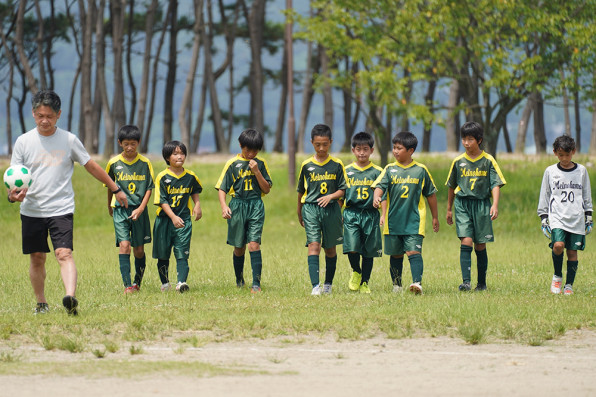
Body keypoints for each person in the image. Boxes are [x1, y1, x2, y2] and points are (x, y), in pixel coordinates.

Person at [7, 90, 128, 315]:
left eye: (49, 116)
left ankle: (70, 298)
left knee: (64, 253)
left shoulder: (69, 140)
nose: (44, 120)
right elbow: (14, 177)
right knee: (37, 258)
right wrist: (12, 195)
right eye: (40, 115)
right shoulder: (23, 141)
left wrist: (115, 188)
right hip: (32, 210)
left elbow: (91, 166)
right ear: (33, 114)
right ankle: (41, 303)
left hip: (61, 208)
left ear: (58, 115)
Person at [372, 131, 439, 294]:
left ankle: (417, 283)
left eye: (399, 148)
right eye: (394, 148)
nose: (395, 151)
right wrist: (377, 197)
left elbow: (430, 194)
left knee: (413, 251)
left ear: (411, 151)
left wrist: (435, 217)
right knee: (395, 255)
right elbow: (379, 186)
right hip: (393, 221)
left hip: (414, 221)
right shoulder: (389, 169)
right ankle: (397, 286)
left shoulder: (421, 170)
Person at [445, 121, 506, 292]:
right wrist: (449, 209)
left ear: (479, 140)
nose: (466, 143)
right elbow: (451, 185)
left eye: (470, 139)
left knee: (480, 244)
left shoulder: (488, 160)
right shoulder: (458, 161)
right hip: (462, 204)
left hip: (481, 205)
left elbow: (495, 184)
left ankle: (481, 283)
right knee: (466, 240)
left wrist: (494, 204)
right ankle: (466, 282)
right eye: (463, 139)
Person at [215, 128, 272, 293]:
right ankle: (239, 280)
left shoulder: (260, 164)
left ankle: (256, 284)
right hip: (237, 206)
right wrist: (224, 206)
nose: (251, 154)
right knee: (239, 247)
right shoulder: (232, 164)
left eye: (255, 150)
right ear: (241, 145)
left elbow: (266, 189)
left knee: (254, 244)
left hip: (255, 205)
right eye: (248, 150)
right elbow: (222, 188)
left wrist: (256, 172)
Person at [297, 124, 349, 295]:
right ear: (311, 142)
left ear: (331, 143)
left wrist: (331, 197)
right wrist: (299, 211)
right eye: (317, 144)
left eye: (325, 144)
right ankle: (315, 287)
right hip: (311, 209)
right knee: (314, 245)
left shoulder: (337, 164)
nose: (321, 148)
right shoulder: (306, 165)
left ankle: (328, 284)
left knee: (330, 249)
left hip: (332, 209)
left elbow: (343, 189)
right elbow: (301, 191)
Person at [537, 135, 592, 295]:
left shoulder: (581, 171)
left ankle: (569, 285)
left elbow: (586, 194)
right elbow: (545, 194)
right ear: (555, 153)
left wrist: (588, 215)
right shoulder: (550, 171)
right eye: (561, 155)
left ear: (573, 152)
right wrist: (543, 217)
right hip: (557, 218)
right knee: (558, 246)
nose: (565, 158)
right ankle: (557, 276)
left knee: (572, 252)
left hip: (576, 218)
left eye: (567, 155)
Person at [105, 125, 154, 294]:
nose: (130, 147)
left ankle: (136, 283)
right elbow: (109, 186)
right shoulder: (113, 163)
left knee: (139, 250)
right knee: (124, 245)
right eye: (126, 144)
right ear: (120, 143)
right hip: (120, 210)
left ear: (138, 143)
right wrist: (109, 205)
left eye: (133, 143)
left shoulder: (145, 163)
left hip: (139, 210)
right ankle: (127, 286)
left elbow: (149, 188)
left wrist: (141, 209)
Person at [152, 140, 202, 293]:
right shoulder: (162, 177)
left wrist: (197, 205)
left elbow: (195, 191)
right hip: (165, 221)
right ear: (167, 157)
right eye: (175, 154)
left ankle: (181, 283)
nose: (179, 157)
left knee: (182, 252)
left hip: (184, 220)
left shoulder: (191, 176)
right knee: (163, 254)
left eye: (182, 153)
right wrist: (173, 217)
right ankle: (165, 283)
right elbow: (162, 201)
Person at [343, 132, 384, 294]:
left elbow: (384, 194)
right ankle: (356, 271)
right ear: (353, 150)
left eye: (365, 149)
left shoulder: (378, 171)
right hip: (351, 213)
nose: (362, 153)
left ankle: (365, 282)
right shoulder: (346, 171)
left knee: (369, 250)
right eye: (358, 149)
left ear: (372, 150)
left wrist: (383, 213)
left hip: (370, 214)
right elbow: (341, 194)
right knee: (352, 247)